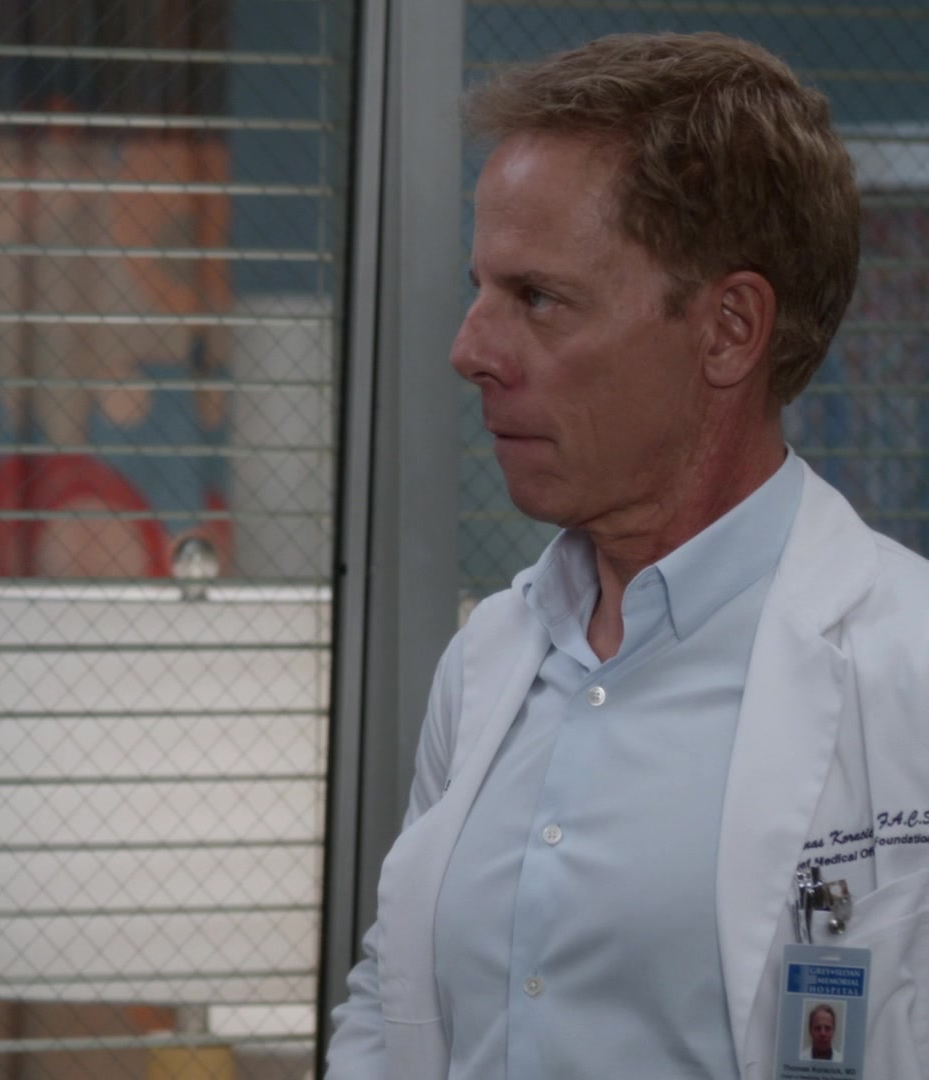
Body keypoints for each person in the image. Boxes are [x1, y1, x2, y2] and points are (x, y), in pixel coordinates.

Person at [327, 32, 929, 1078]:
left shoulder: (907, 666)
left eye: (537, 298)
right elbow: (394, 999)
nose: (470, 350)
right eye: (480, 289)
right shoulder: (490, 662)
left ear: (729, 328)